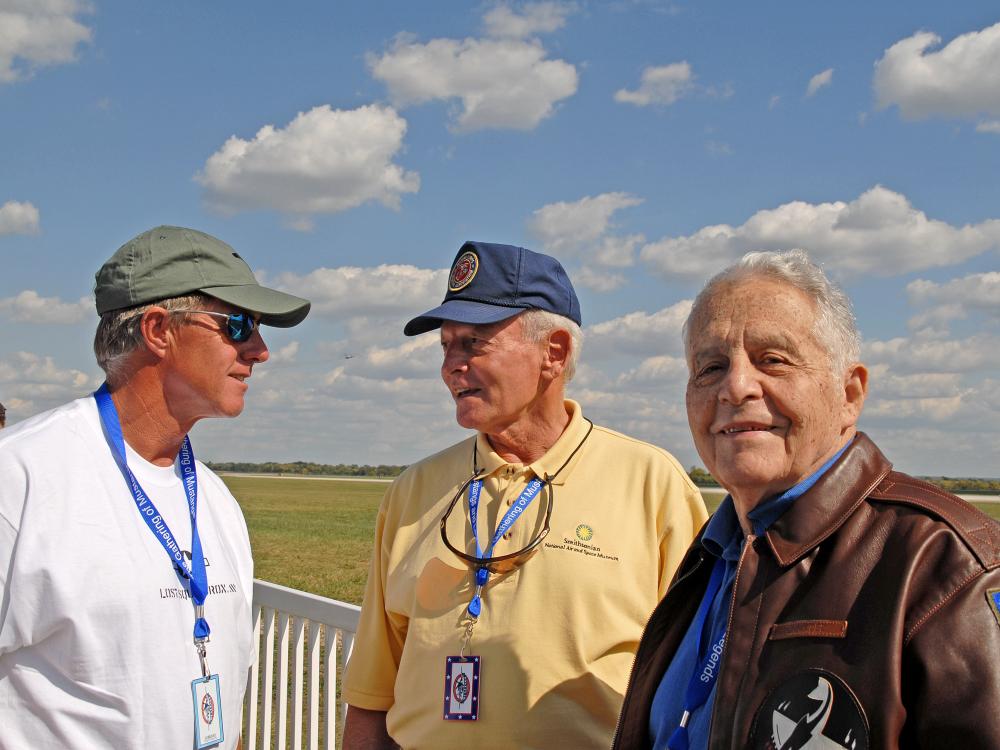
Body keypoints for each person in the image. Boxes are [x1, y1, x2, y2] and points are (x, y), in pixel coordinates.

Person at [612, 250, 1000, 749]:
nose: (736, 386)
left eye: (773, 359)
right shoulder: (713, 553)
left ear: (850, 394)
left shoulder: (947, 565)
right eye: (710, 366)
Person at [342, 241, 707, 750]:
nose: (451, 365)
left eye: (473, 343)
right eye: (445, 345)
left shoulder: (653, 485)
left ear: (553, 353)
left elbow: (699, 688)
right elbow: (373, 692)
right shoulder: (413, 490)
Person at [0, 225, 310, 749]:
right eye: (239, 325)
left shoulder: (216, 501)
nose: (260, 351)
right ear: (158, 330)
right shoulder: (22, 477)